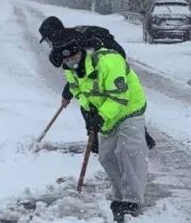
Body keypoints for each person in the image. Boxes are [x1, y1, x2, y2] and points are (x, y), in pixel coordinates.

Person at [52, 29, 150, 223]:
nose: (71, 63)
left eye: (74, 58)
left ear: (81, 52)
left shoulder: (108, 62)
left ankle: (132, 201)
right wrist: (89, 112)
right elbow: (78, 91)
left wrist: (100, 116)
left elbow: (120, 96)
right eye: (67, 61)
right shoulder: (70, 69)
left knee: (128, 153)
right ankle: (120, 195)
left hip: (129, 109)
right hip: (106, 113)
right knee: (107, 156)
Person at [38, 15, 155, 150]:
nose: (49, 43)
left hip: (111, 63)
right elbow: (78, 75)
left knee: (112, 103)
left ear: (54, 33)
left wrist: (67, 94)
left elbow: (82, 72)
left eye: (48, 39)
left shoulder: (73, 40)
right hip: (106, 62)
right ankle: (99, 138)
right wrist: (67, 94)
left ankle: (96, 141)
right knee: (91, 105)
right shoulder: (69, 37)